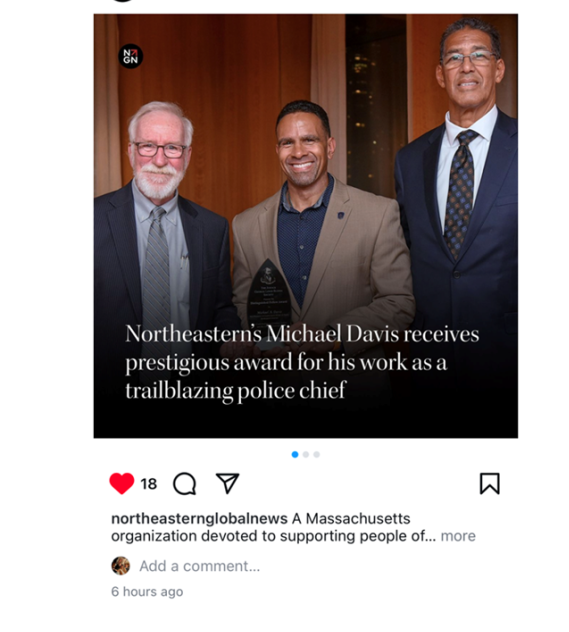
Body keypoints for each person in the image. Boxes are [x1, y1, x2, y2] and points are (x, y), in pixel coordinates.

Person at [231, 100, 415, 408]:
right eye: (287, 142)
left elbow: (399, 302)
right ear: (277, 150)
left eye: (309, 140)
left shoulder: (378, 213)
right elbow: (241, 304)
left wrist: (334, 336)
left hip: (355, 393)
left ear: (329, 146)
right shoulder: (245, 224)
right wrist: (252, 342)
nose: (298, 152)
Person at [394, 17, 517, 437]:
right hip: (432, 367)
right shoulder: (409, 160)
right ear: (440, 74)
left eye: (479, 55)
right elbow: (411, 247)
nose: (467, 66)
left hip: (511, 363)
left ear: (498, 69)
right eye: (454, 58)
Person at [93, 101, 239, 435]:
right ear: (131, 151)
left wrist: (232, 337)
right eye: (148, 146)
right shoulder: (90, 221)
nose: (160, 160)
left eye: (172, 148)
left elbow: (220, 308)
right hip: (109, 403)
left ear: (187, 155)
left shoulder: (212, 228)